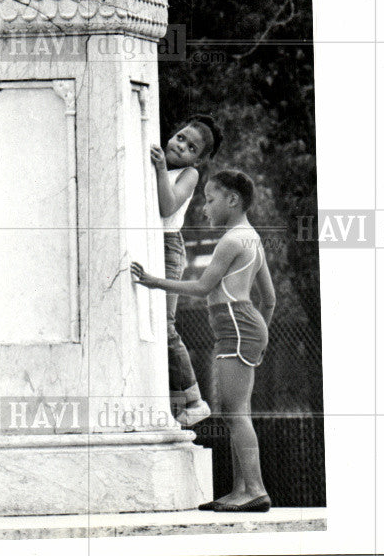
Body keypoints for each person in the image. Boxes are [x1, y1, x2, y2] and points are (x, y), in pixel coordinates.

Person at [132, 169, 276, 513]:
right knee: (238, 412)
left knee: (234, 412)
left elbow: (202, 287)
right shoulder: (251, 237)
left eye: (210, 200)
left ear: (233, 200)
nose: (205, 208)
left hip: (237, 328)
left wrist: (155, 282)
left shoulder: (232, 240)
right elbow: (268, 299)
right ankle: (241, 489)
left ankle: (255, 489)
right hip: (244, 328)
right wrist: (263, 334)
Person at [150, 115, 222, 426]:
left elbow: (167, 207)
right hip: (149, 242)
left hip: (168, 249)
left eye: (191, 147)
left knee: (164, 325)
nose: (181, 146)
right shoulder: (153, 154)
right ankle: (173, 402)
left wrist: (161, 171)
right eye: (180, 138)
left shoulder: (188, 174)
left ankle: (194, 400)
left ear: (198, 159)